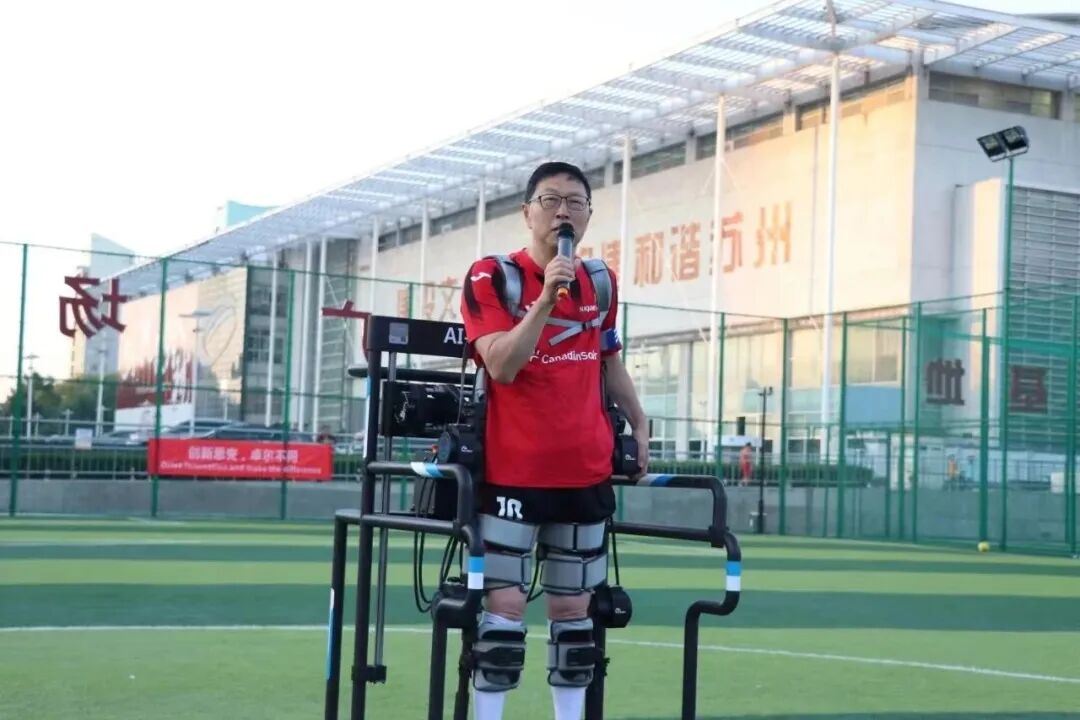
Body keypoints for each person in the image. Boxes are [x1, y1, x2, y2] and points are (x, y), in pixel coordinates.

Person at [459, 161, 650, 720]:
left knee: (574, 620)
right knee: (502, 614)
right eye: (550, 200)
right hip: (511, 475)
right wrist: (545, 299)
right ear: (527, 212)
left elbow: (609, 361)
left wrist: (640, 424)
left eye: (575, 201)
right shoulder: (492, 277)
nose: (563, 211)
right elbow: (501, 365)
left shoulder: (602, 283)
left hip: (584, 473)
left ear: (588, 215)